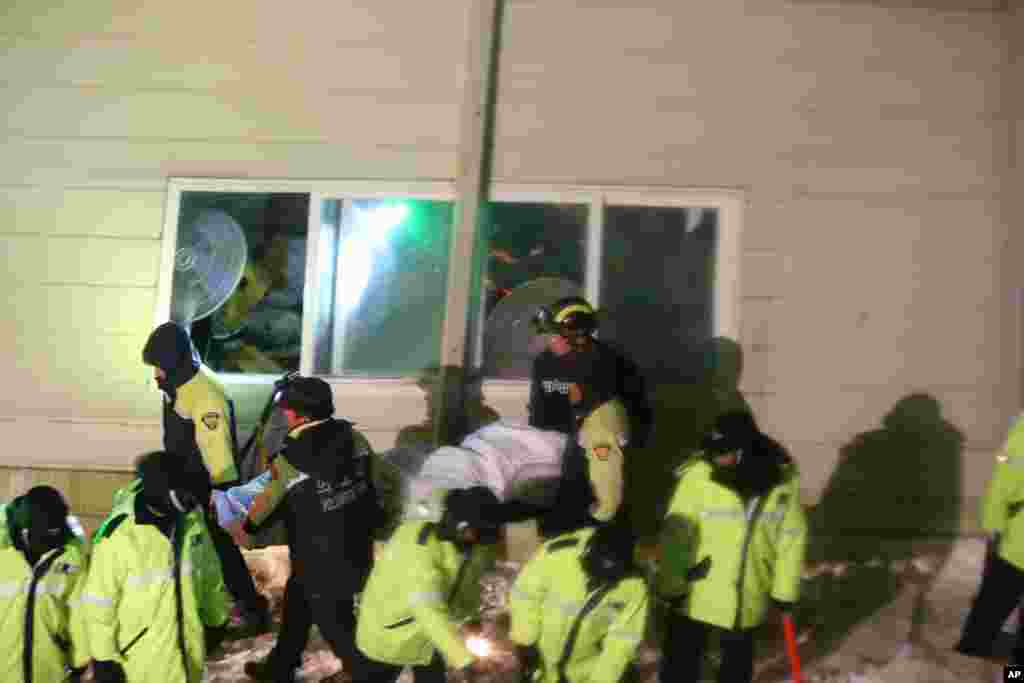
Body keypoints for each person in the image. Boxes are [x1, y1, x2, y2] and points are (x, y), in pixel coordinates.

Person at [230, 376, 384, 682]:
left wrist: (246, 526)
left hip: (319, 552)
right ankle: (281, 666)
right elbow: (373, 483)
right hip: (353, 543)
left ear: (298, 414)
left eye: (286, 409)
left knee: (333, 620)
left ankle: (368, 674)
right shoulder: (355, 439)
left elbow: (270, 498)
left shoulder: (294, 456)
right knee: (299, 601)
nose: (284, 415)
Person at [656, 411, 807, 683]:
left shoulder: (782, 479)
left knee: (736, 670)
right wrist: (671, 584)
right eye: (712, 451)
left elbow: (791, 535)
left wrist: (784, 589)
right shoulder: (698, 476)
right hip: (695, 594)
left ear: (744, 450)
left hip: (746, 596)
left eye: (722, 452)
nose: (715, 458)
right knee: (680, 668)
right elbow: (675, 536)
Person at [141, 320, 270, 631]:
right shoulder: (178, 383)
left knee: (221, 550)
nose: (155, 375)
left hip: (207, 485)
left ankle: (251, 610)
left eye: (158, 367)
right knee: (198, 547)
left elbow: (217, 451)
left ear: (173, 363)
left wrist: (219, 496)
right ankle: (204, 605)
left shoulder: (205, 396)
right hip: (184, 480)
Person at [81, 451, 231, 683]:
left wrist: (216, 618)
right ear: (161, 491)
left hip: (188, 656)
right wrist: (104, 658)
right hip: (141, 663)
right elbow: (99, 601)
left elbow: (210, 573)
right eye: (183, 493)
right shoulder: (119, 535)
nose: (190, 500)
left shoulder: (192, 522)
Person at [354, 486, 505, 683]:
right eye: (476, 534)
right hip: (389, 635)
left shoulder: (468, 543)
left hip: (424, 633)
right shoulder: (419, 551)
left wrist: (470, 619)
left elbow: (467, 582)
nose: (481, 542)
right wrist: (465, 661)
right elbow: (428, 610)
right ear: (461, 527)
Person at [508, 523, 649, 683]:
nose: (597, 581)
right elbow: (525, 593)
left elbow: (622, 641)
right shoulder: (558, 554)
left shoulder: (634, 586)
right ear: (587, 552)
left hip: (582, 672)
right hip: (539, 662)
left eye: (606, 578)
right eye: (594, 573)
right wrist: (525, 639)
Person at [0, 486, 90, 682]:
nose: (52, 537)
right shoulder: (4, 559)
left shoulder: (71, 559)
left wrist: (83, 662)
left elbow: (79, 613)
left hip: (50, 669)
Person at [956, 414, 1024, 663]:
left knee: (991, 607)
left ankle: (969, 664)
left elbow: (1003, 482)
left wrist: (994, 526)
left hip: (1017, 544)